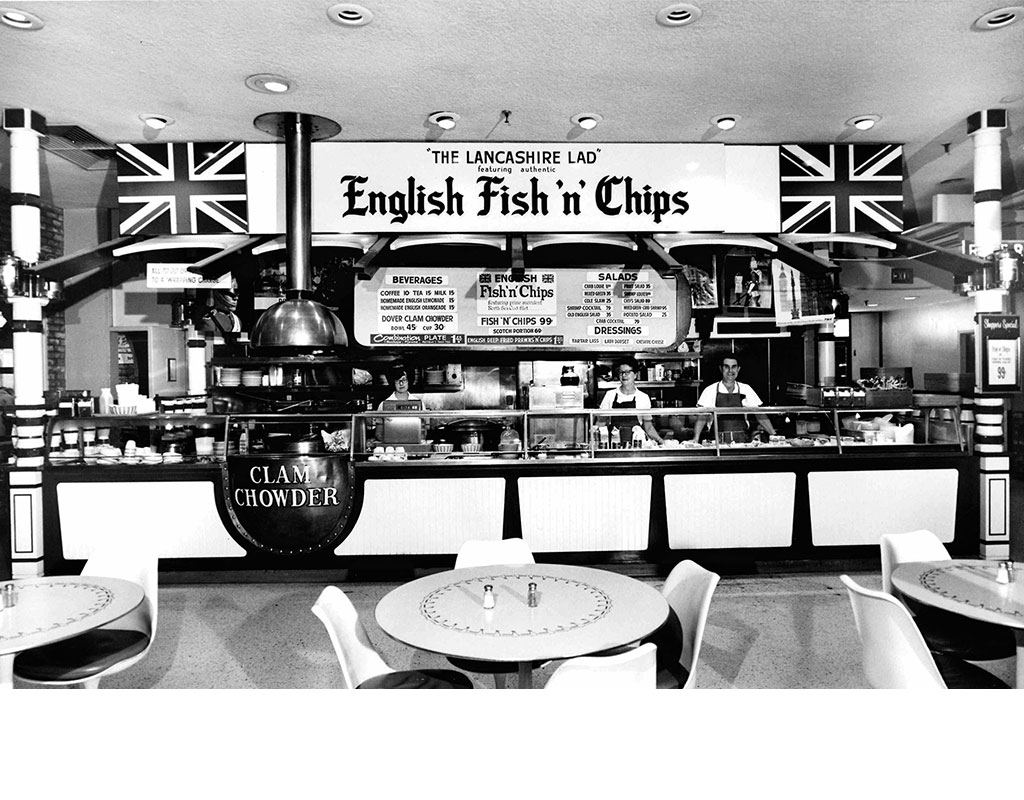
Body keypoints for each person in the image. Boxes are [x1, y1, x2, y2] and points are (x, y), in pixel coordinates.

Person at [692, 355, 775, 443]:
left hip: (742, 440)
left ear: (738, 369)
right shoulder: (710, 390)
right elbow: (702, 416)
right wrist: (695, 438)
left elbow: (760, 414)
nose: (730, 371)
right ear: (721, 369)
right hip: (717, 441)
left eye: (734, 367)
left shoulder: (746, 389)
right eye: (726, 367)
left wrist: (773, 435)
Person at [599, 359, 664, 446]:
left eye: (627, 372)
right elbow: (601, 422)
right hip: (615, 444)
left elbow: (648, 426)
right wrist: (593, 439)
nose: (624, 375)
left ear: (635, 375)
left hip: (637, 444)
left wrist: (661, 441)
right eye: (621, 372)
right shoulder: (610, 395)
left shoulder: (643, 397)